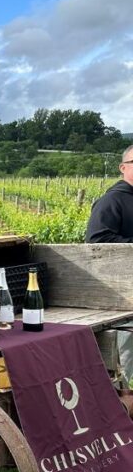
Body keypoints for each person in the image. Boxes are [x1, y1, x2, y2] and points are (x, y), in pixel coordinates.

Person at [86, 144, 133, 385]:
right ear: (123, 167)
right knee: (125, 355)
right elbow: (97, 241)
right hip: (122, 294)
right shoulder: (112, 201)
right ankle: (122, 396)